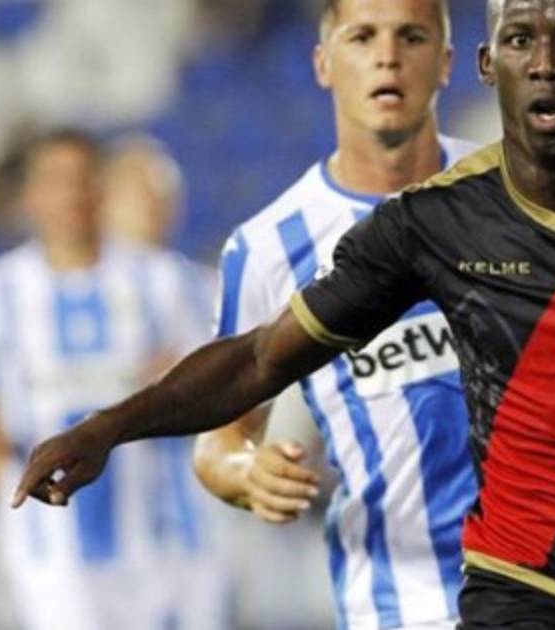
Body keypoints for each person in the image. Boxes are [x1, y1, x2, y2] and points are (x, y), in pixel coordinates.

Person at [13, 2, 555, 629]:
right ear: (488, 64)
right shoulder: (433, 222)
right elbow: (258, 360)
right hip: (517, 588)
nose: (545, 62)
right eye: (520, 39)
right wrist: (107, 429)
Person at [191, 0, 480, 627]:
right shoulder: (268, 248)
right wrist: (248, 472)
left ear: (446, 62)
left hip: (554, 590)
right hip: (402, 607)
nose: (387, 57)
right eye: (362, 37)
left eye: (411, 37)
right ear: (324, 64)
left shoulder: (514, 193)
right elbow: (220, 439)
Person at [0, 129, 230, 630]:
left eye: (83, 178)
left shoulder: (162, 279)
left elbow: (230, 373)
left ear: (102, 189)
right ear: (30, 195)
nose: (71, 193)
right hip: (50, 547)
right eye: (56, 180)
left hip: (167, 539)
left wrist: (186, 375)